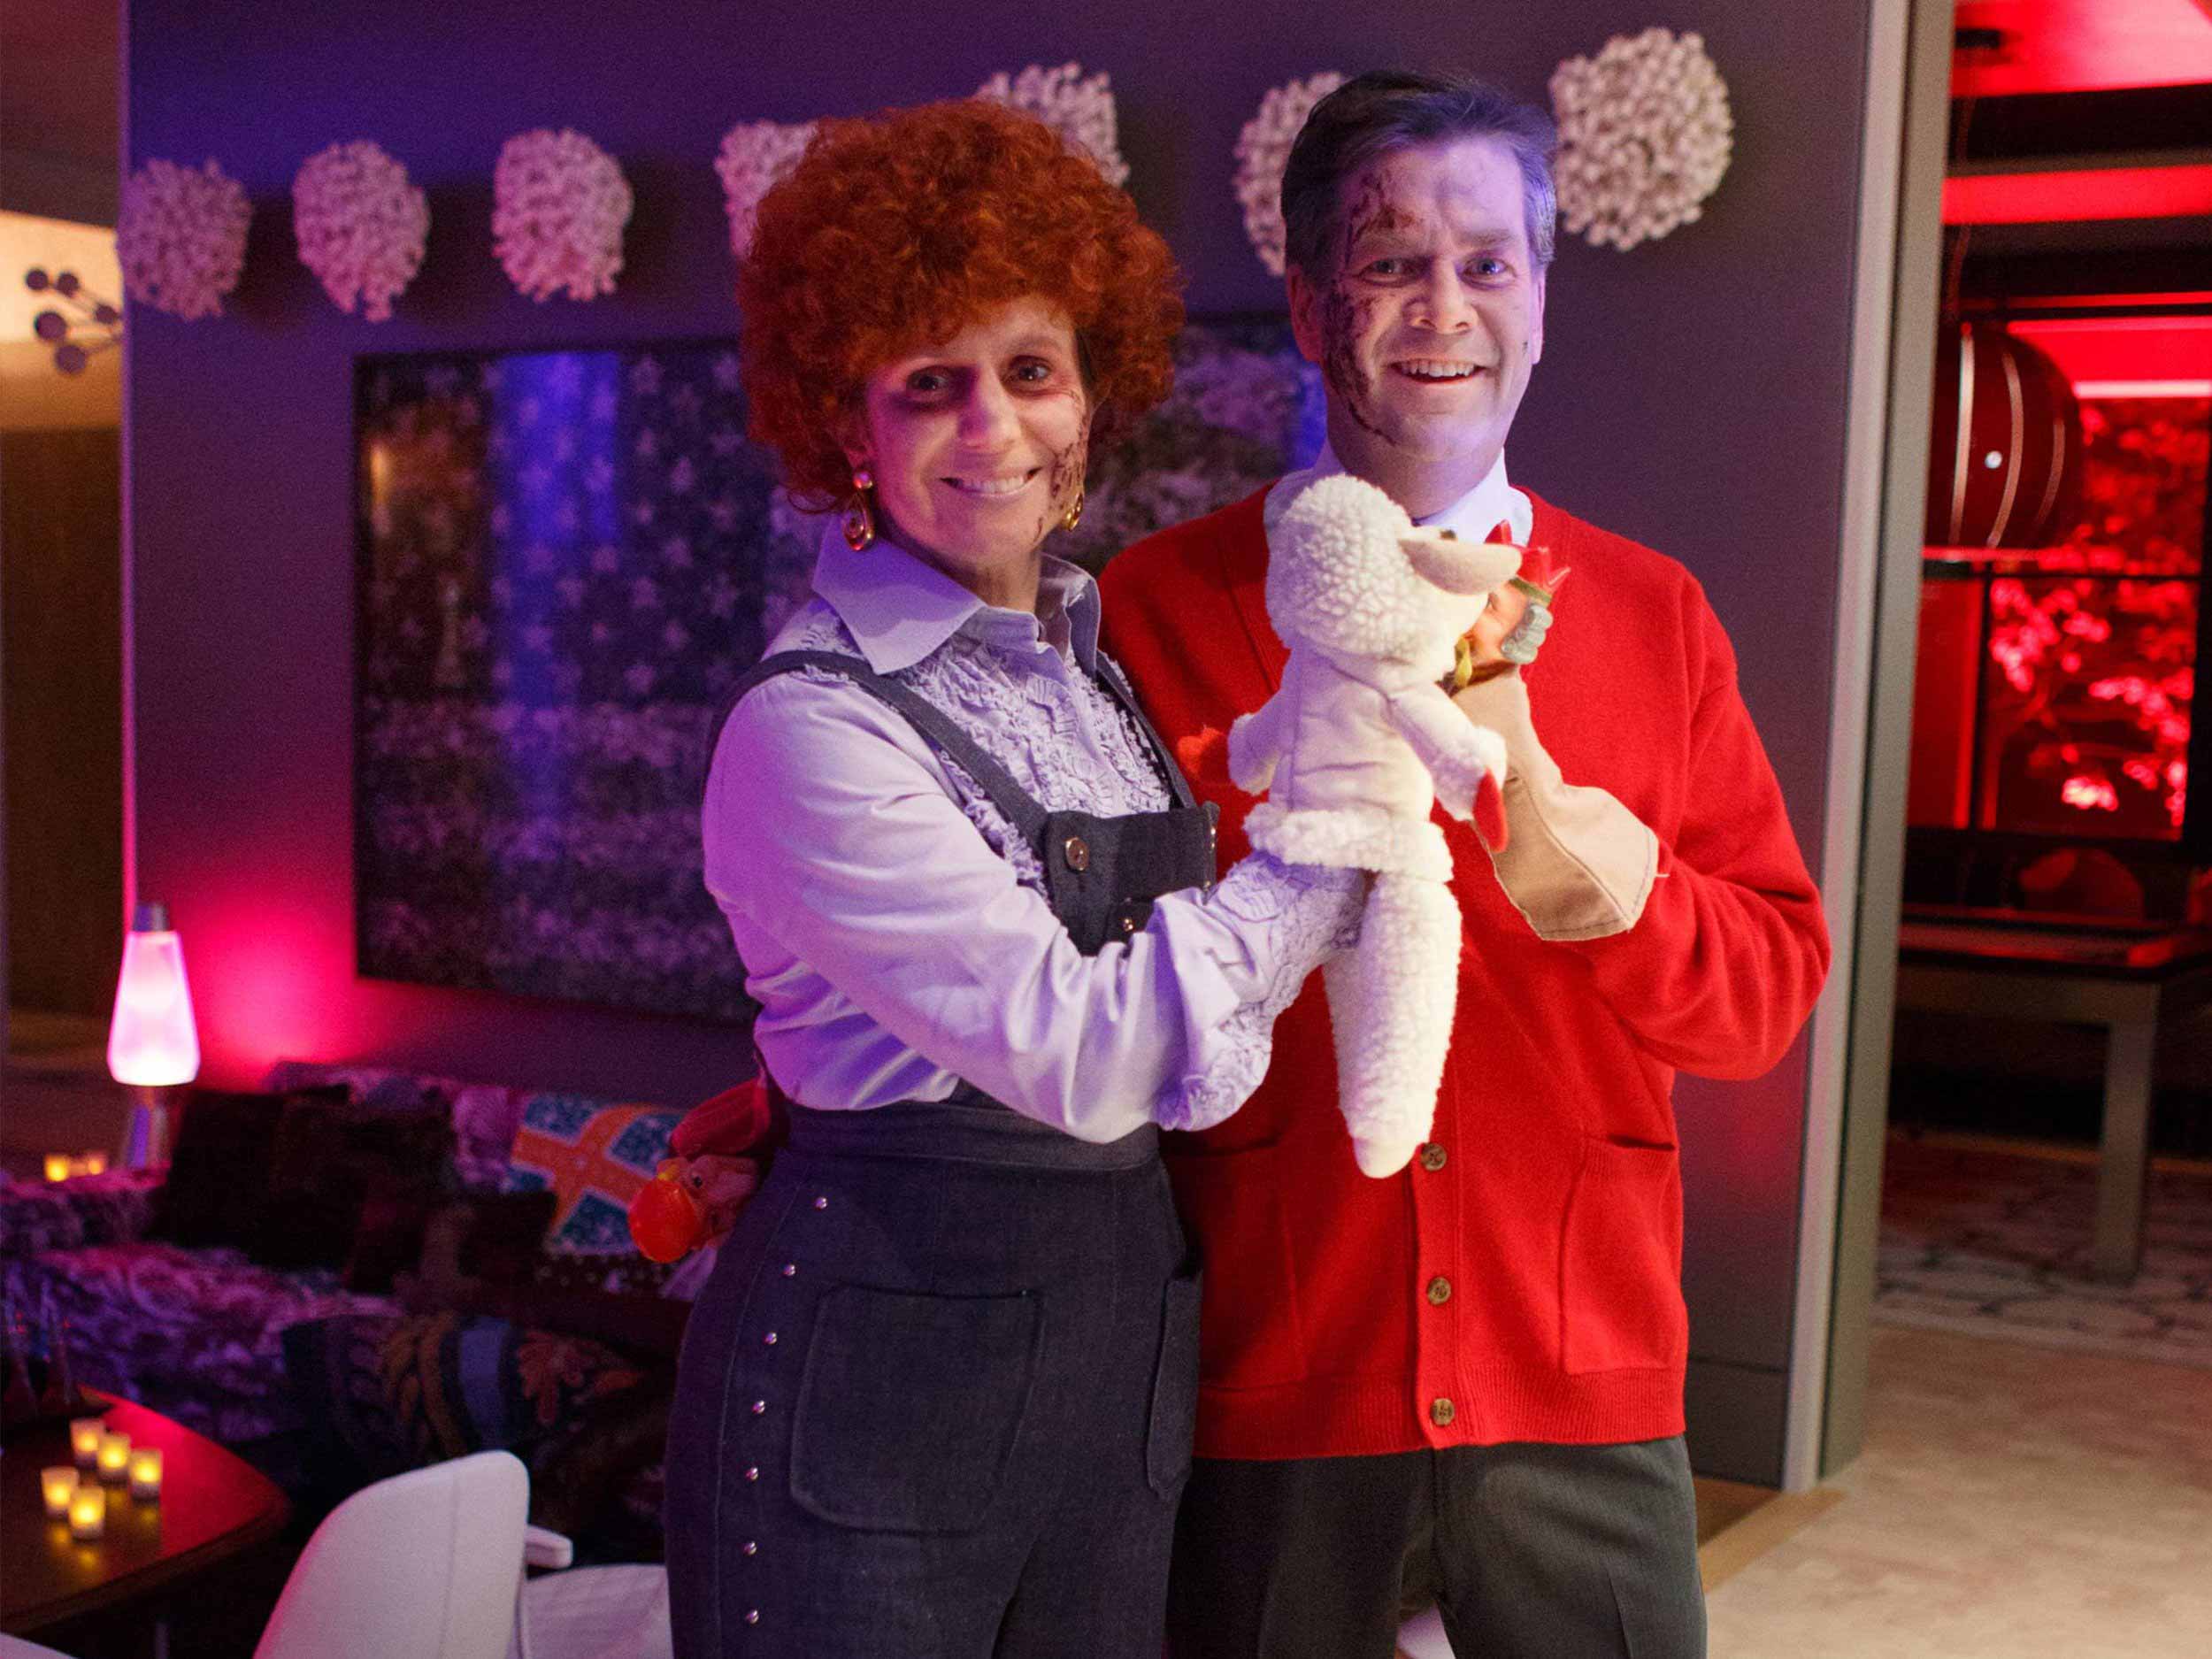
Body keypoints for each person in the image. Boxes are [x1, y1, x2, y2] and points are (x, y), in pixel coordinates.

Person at [1097, 72, 1832, 1659]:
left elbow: (1768, 994)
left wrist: (1604, 885)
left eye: (1488, 262)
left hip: (1582, 1381)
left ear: (1542, 301)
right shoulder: (1155, 610)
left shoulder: (1653, 614)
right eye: (1391, 263)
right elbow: (1067, 982)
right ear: (1312, 303)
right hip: (1273, 1380)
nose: (1445, 307)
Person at [662, 99, 1366, 1659]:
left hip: (1112, 1365)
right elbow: (1094, 1055)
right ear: (847, 428)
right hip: (870, 1396)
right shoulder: (808, 729)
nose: (993, 427)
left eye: (1031, 370)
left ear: (1091, 399)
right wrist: (1332, 850)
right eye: (932, 384)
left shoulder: (1090, 674)